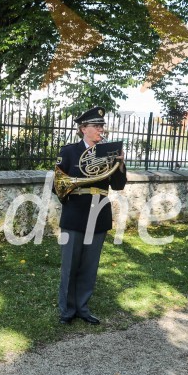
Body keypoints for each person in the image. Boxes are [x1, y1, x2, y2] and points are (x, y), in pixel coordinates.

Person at [56, 107, 127, 326]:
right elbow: (57, 185)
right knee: (70, 265)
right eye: (96, 126)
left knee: (89, 265)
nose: (100, 130)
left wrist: (121, 163)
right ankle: (67, 310)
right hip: (75, 212)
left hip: (99, 213)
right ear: (83, 129)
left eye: (101, 126)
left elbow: (118, 185)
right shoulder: (68, 152)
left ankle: (83, 307)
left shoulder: (108, 153)